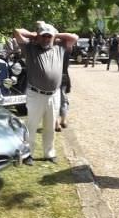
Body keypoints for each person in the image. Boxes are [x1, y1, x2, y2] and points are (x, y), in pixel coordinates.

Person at [14, 21, 78, 165]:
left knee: (50, 127)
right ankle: (27, 154)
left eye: (48, 37)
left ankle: (49, 153)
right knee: (32, 125)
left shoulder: (59, 47)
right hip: (35, 94)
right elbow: (17, 32)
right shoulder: (30, 48)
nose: (46, 39)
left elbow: (74, 37)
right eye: (43, 36)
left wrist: (55, 34)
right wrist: (34, 35)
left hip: (53, 94)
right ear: (39, 37)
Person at [55, 49, 71, 132]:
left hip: (63, 77)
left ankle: (62, 120)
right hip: (53, 78)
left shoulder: (65, 50)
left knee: (63, 100)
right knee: (56, 101)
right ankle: (58, 122)